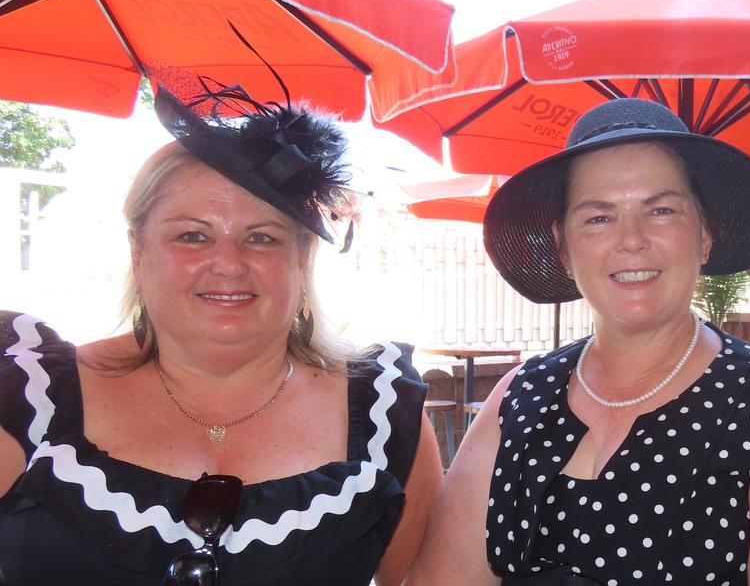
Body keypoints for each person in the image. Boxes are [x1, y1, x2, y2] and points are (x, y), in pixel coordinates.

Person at [406, 98, 750, 585]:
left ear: (705, 235)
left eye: (662, 210)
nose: (632, 239)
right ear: (564, 248)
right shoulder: (520, 397)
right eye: (599, 217)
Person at [0, 80, 441, 585]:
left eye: (261, 238)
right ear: (138, 254)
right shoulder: (29, 396)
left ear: (300, 261)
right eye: (193, 235)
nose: (229, 264)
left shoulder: (385, 413)